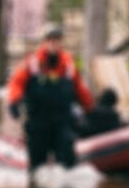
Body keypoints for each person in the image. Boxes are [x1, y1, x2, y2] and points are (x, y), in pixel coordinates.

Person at [7, 26, 94, 172]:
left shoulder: (68, 64)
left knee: (66, 158)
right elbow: (16, 82)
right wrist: (14, 101)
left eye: (57, 40)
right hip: (39, 121)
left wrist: (90, 108)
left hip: (62, 120)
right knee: (37, 163)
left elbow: (79, 88)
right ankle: (36, 184)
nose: (54, 43)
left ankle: (65, 183)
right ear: (44, 43)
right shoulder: (32, 63)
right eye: (50, 40)